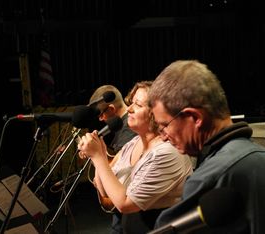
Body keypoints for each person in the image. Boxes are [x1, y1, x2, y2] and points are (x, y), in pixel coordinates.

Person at [148, 60, 265, 234]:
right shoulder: (259, 156)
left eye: (165, 125)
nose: (163, 136)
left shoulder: (210, 178)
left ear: (195, 118)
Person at [78, 81, 193, 234]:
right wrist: (99, 155)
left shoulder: (167, 152)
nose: (129, 109)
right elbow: (105, 191)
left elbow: (124, 204)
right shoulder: (134, 142)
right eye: (131, 103)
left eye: (138, 105)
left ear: (157, 114)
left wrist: (98, 157)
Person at [88, 84, 137, 233]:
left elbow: (121, 168)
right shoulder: (121, 127)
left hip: (128, 202)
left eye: (101, 114)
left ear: (111, 109)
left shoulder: (129, 129)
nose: (101, 119)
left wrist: (96, 156)